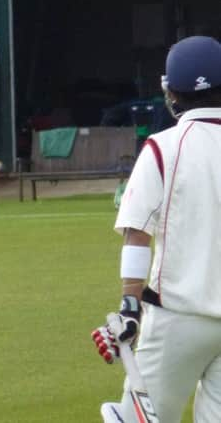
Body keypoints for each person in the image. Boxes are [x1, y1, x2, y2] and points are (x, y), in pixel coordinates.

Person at [92, 35, 221, 423]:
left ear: (172, 93)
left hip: (176, 319)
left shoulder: (163, 147)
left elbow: (137, 234)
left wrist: (129, 309)